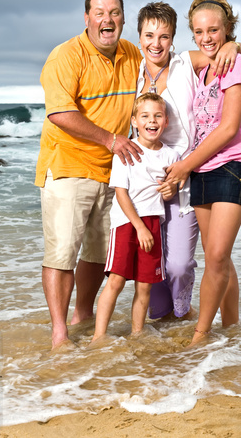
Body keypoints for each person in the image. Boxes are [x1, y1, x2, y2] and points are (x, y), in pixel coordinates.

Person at [35, 0, 143, 349]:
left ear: (123, 19)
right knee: (63, 252)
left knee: (98, 253)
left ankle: (81, 318)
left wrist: (232, 47)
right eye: (99, 13)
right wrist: (112, 140)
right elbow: (60, 114)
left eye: (114, 13)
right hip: (67, 164)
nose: (107, 20)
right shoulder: (66, 56)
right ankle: (60, 334)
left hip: (111, 171)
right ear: (86, 19)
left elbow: (171, 63)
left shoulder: (132, 53)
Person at [135, 2, 241, 321]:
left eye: (164, 36)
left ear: (174, 38)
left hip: (187, 176)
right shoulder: (130, 71)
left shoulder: (186, 61)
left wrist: (233, 42)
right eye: (149, 35)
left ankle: (190, 314)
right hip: (143, 181)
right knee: (147, 259)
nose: (156, 43)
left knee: (183, 263)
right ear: (139, 36)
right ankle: (165, 321)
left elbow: (239, 55)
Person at [166, 0, 241, 346]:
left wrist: (182, 168)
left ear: (228, 29)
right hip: (203, 169)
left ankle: (200, 336)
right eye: (199, 31)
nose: (206, 38)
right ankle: (232, 329)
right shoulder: (203, 65)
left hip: (236, 166)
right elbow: (170, 60)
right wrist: (191, 168)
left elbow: (228, 128)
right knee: (218, 258)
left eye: (215, 30)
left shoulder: (235, 64)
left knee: (217, 255)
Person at [91, 93, 179, 341]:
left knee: (144, 286)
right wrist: (139, 227)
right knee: (116, 281)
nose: (152, 121)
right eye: (145, 116)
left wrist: (172, 189)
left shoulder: (171, 156)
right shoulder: (125, 151)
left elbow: (173, 189)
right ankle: (99, 336)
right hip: (126, 223)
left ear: (166, 121)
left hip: (153, 223)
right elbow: (121, 194)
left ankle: (137, 334)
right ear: (134, 121)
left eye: (158, 116)